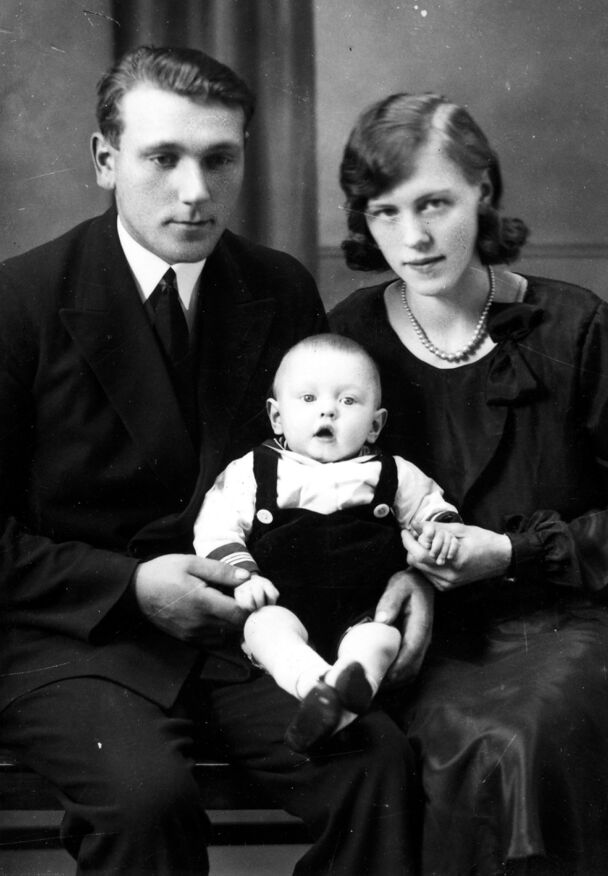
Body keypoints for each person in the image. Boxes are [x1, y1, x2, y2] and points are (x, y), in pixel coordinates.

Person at [0, 48, 426, 876]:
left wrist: (406, 572)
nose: (195, 190)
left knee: (376, 766)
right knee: (145, 801)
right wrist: (131, 586)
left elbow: (334, 479)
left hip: (250, 632)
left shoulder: (278, 287)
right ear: (105, 160)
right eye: (163, 158)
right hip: (77, 639)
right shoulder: (19, 301)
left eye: (219, 159)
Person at [329, 91, 608, 876]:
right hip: (431, 637)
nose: (414, 237)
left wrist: (508, 552)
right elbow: (328, 505)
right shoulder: (350, 337)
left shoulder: (573, 324)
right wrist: (407, 577)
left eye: (434, 203)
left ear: (483, 190)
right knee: (439, 748)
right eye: (386, 212)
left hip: (575, 621)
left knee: (521, 742)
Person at [193, 332, 461, 753]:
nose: (328, 410)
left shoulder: (394, 473)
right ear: (277, 417)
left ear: (375, 424)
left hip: (363, 610)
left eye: (348, 401)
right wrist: (244, 575)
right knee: (263, 628)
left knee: (381, 638)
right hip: (283, 603)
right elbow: (216, 526)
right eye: (308, 398)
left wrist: (440, 532)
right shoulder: (253, 471)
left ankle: (343, 690)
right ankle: (317, 688)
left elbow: (433, 508)